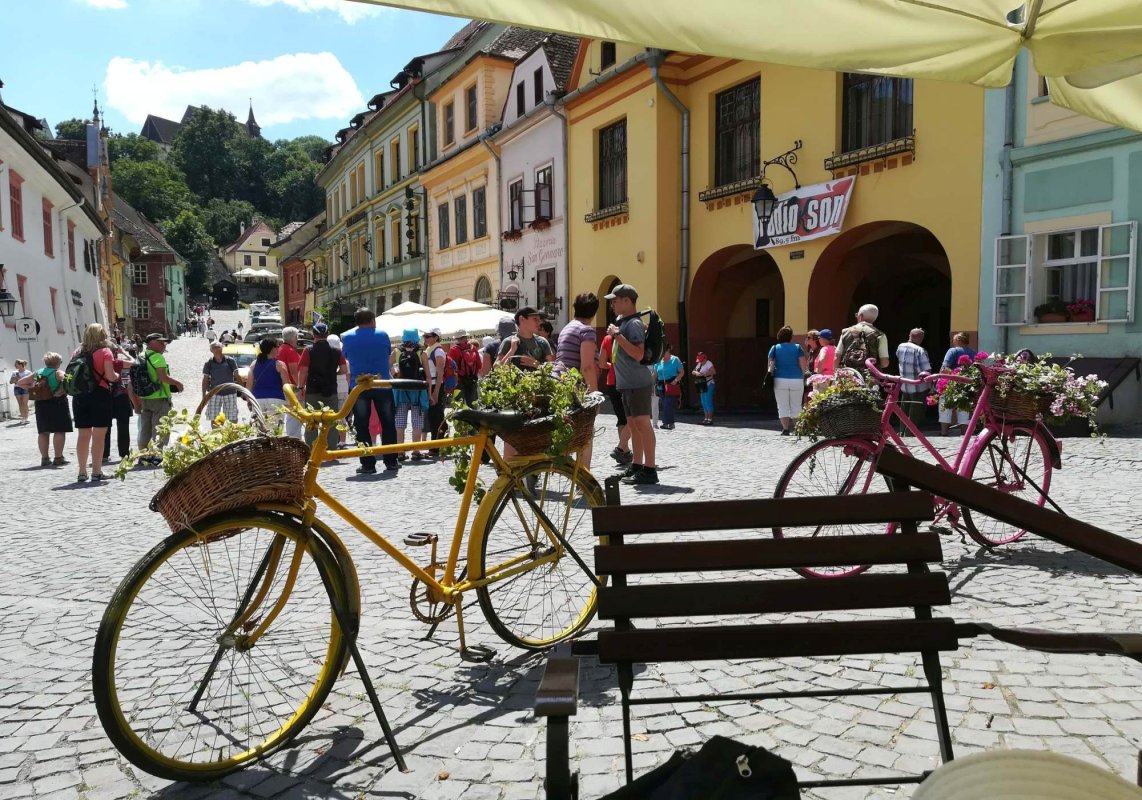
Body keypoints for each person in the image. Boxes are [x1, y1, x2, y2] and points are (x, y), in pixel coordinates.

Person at [605, 284, 657, 485]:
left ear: (627, 301)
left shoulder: (633, 324)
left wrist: (617, 335)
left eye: (615, 300)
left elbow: (638, 354)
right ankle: (637, 465)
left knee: (643, 424)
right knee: (634, 426)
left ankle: (650, 469)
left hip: (638, 383)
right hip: (627, 384)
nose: (612, 304)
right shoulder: (623, 322)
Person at [340, 307, 399, 475]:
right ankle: (391, 461)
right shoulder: (382, 335)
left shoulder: (348, 338)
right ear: (373, 320)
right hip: (382, 384)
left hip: (359, 386)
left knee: (361, 425)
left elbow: (347, 356)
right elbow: (387, 352)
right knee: (388, 423)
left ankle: (367, 463)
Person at [71, 323, 119, 482]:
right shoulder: (105, 352)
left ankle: (82, 471)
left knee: (83, 435)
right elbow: (110, 376)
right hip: (99, 395)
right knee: (99, 435)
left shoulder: (77, 353)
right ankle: (97, 471)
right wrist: (118, 376)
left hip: (80, 396)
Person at [297, 322, 347, 451]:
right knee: (331, 421)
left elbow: (303, 370)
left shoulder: (308, 350)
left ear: (314, 335)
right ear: (327, 334)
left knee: (312, 420)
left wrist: (301, 387)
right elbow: (343, 369)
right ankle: (330, 448)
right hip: (331, 390)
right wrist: (333, 374)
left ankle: (312, 448)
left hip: (313, 390)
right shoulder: (336, 351)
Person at [135, 333, 184, 462]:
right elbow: (163, 378)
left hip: (145, 397)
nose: (164, 345)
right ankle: (157, 455)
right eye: (160, 342)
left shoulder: (140, 356)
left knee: (145, 428)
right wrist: (178, 384)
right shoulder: (157, 357)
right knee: (161, 427)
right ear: (151, 343)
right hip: (160, 397)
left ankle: (143, 456)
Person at [18, 352, 71, 466]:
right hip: (57, 403)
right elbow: (70, 380)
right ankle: (58, 458)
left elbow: (20, 382)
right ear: (57, 363)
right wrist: (62, 389)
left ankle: (45, 458)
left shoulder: (39, 373)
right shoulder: (58, 372)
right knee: (59, 430)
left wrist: (31, 387)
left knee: (43, 432)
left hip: (41, 403)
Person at [391, 328, 429, 459]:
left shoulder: (396, 351)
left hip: (400, 391)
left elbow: (387, 367)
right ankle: (416, 451)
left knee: (400, 423)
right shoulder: (421, 353)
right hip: (418, 391)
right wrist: (429, 393)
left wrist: (395, 375)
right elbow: (428, 376)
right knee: (417, 422)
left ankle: (400, 451)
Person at [599, 327, 632, 465]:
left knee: (621, 418)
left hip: (612, 382)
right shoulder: (628, 338)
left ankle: (624, 451)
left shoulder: (607, 339)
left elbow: (601, 363)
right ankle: (621, 447)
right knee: (633, 417)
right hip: (627, 380)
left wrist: (612, 366)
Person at [767, 326, 809, 436]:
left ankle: (785, 429)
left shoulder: (775, 348)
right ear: (791, 337)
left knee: (782, 405)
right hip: (796, 379)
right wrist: (804, 376)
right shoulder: (797, 347)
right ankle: (798, 429)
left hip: (779, 379)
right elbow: (803, 365)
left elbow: (770, 366)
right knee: (796, 405)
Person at [555, 293, 600, 391]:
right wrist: (594, 395)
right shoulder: (586, 330)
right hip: (572, 387)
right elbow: (587, 367)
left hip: (559, 382)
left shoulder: (567, 328)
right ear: (594, 313)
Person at [103, 343, 136, 463]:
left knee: (105, 427)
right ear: (116, 352)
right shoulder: (119, 363)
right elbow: (134, 362)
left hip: (105, 396)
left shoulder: (100, 364)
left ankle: (104, 454)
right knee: (123, 426)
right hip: (121, 396)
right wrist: (124, 353)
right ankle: (124, 453)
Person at [939, 332, 977, 436]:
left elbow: (944, 368)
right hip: (967, 384)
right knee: (964, 408)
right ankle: (964, 433)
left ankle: (944, 432)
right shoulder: (973, 353)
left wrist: (939, 379)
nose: (953, 342)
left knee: (945, 407)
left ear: (959, 340)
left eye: (954, 340)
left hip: (951, 382)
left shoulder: (953, 351)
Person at [896, 328, 932, 434]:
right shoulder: (919, 350)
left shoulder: (900, 347)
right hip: (918, 387)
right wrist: (931, 385)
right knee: (915, 414)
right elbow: (926, 370)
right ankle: (909, 435)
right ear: (919, 338)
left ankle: (902, 433)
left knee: (904, 412)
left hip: (904, 385)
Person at [836, 303, 889, 373]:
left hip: (846, 376)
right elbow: (884, 363)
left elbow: (837, 357)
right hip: (869, 378)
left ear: (860, 316)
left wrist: (836, 374)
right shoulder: (880, 336)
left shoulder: (846, 332)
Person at [247, 337, 290, 418]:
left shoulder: (253, 364)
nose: (279, 349)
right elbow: (286, 386)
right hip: (276, 399)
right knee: (275, 428)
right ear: (272, 349)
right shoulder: (280, 365)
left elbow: (249, 386)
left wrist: (249, 400)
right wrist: (289, 402)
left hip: (257, 399)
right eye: (278, 346)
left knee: (259, 428)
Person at [202, 341, 240, 423]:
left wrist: (243, 391)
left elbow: (237, 376)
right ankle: (216, 435)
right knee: (215, 419)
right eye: (214, 347)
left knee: (233, 418)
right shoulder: (209, 363)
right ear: (211, 350)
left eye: (218, 347)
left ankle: (233, 434)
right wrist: (204, 395)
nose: (217, 349)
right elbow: (205, 380)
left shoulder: (230, 361)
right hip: (214, 393)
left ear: (222, 348)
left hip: (230, 393)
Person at [278, 327, 304, 439]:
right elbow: (294, 372)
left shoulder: (280, 349)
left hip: (283, 387)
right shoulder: (290, 351)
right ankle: (294, 439)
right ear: (294, 337)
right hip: (292, 388)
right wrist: (300, 387)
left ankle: (291, 437)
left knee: (290, 416)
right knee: (294, 416)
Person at [326, 333, 350, 448]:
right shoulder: (344, 360)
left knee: (330, 415)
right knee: (342, 415)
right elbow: (348, 376)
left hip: (332, 390)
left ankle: (333, 440)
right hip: (344, 389)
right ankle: (343, 441)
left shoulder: (326, 361)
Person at [448, 329, 482, 406]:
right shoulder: (473, 348)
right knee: (473, 405)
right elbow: (479, 365)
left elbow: (450, 367)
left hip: (459, 381)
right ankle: (473, 418)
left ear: (456, 338)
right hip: (472, 379)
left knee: (459, 406)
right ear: (466, 337)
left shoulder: (453, 350)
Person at [655, 343, 684, 430]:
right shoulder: (658, 361)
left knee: (668, 404)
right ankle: (671, 423)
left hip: (671, 385)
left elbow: (682, 372)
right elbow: (655, 374)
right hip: (661, 386)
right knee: (666, 405)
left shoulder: (675, 360)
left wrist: (675, 381)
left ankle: (665, 423)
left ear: (667, 350)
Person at [692, 352, 717, 425]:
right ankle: (705, 418)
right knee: (703, 401)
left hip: (709, 384)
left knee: (708, 401)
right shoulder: (699, 364)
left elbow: (714, 372)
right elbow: (693, 371)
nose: (700, 362)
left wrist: (704, 374)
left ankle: (710, 419)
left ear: (705, 358)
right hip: (702, 385)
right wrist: (696, 373)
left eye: (701, 360)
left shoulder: (709, 363)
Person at [9, 359, 31, 424]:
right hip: (17, 388)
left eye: (16, 364)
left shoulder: (28, 372)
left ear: (21, 364)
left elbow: (31, 381)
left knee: (24, 403)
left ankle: (27, 417)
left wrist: (20, 379)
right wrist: (15, 378)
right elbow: (11, 382)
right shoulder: (14, 373)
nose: (15, 365)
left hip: (25, 388)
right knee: (20, 403)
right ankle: (23, 418)